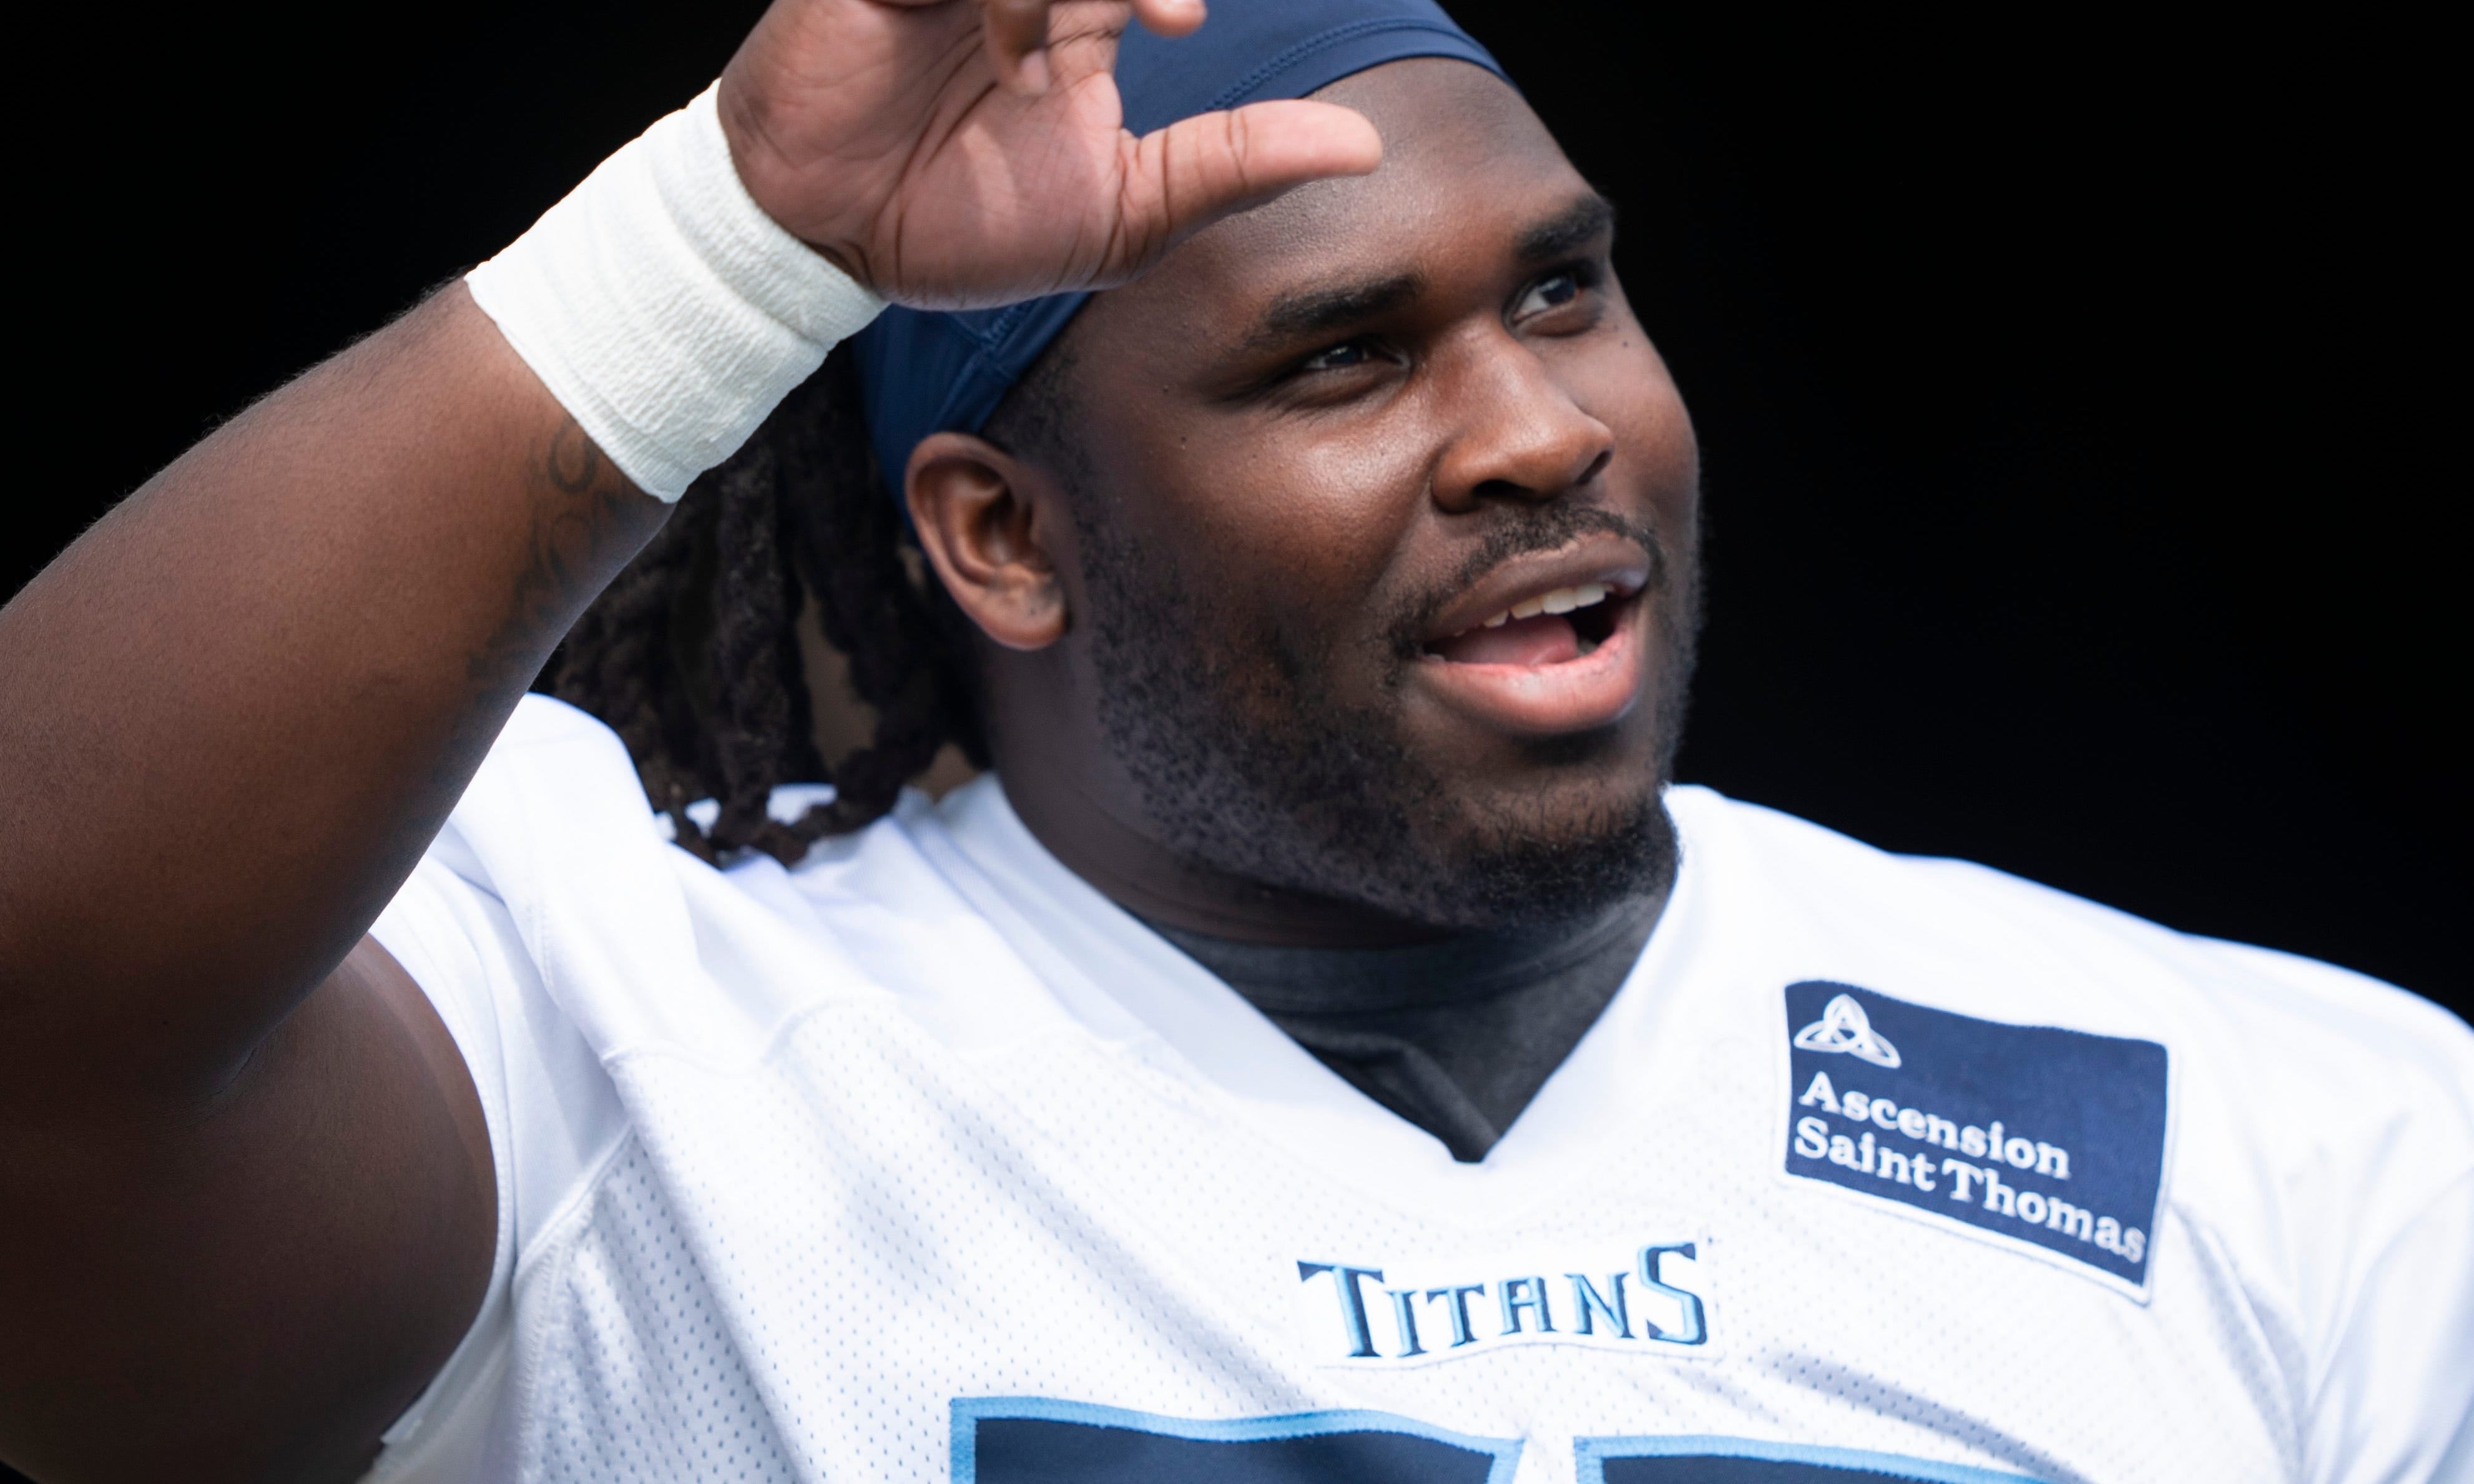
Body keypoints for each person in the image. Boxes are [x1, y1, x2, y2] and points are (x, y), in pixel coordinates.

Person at [2, 0, 2468, 1478]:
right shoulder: (616, 1034)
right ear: (1000, 534)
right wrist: (722, 251)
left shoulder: (2281, 1128)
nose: (1537, 431)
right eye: (1340, 356)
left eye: (1566, 293)